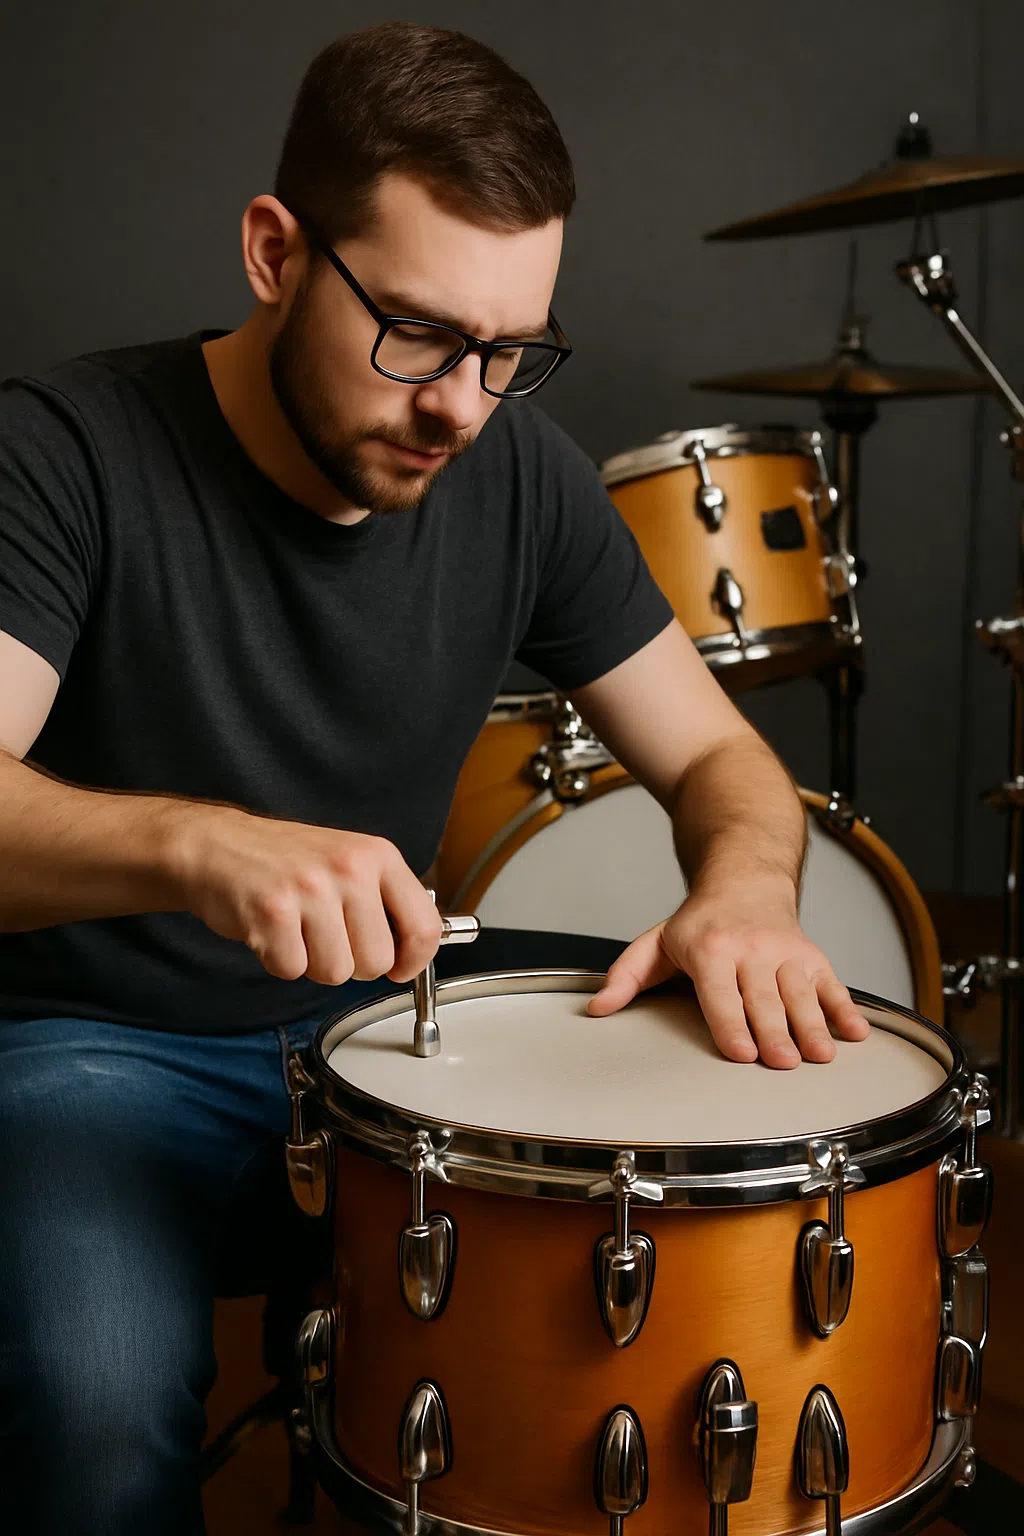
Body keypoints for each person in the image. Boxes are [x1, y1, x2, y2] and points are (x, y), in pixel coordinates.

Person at [0, 22, 868, 1534]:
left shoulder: (517, 473)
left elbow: (724, 757)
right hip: (93, 1045)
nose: (463, 403)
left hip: (383, 1043)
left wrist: (740, 892)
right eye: (416, 333)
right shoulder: (61, 452)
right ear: (276, 250)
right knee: (92, 1401)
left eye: (508, 351)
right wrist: (203, 848)